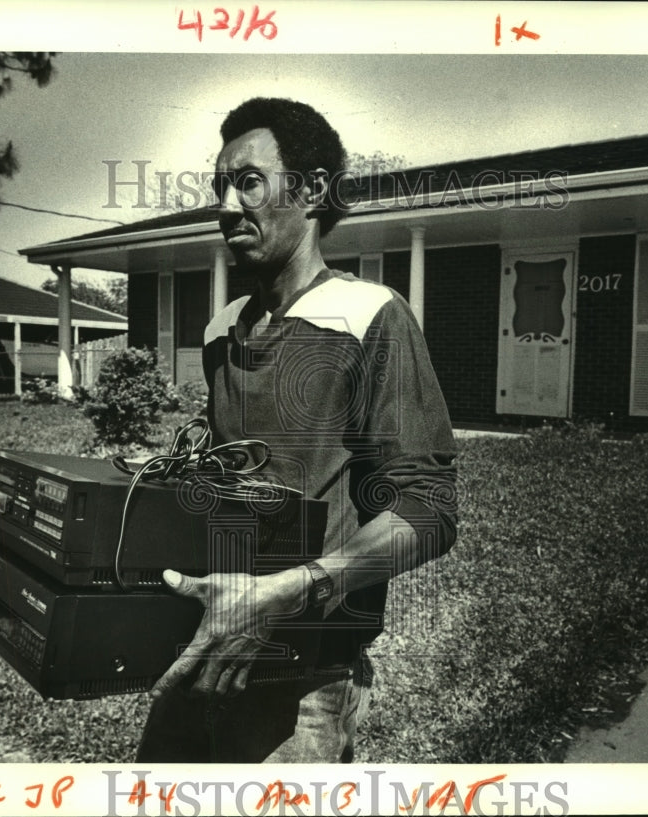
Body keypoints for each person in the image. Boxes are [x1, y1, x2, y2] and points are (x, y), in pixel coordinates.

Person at [136, 97, 457, 763]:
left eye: (248, 181)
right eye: (220, 183)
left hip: (310, 678)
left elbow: (428, 508)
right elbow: (237, 471)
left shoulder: (373, 316)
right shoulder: (221, 329)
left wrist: (290, 589)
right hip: (211, 644)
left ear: (310, 192)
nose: (226, 205)